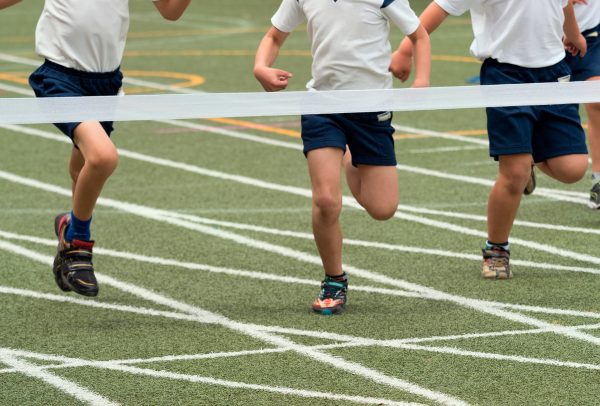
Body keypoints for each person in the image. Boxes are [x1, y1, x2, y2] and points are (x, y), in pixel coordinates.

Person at [254, 0, 431, 314]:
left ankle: (350, 157)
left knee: (383, 208)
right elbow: (273, 36)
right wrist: (261, 66)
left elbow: (419, 35)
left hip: (371, 112)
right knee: (326, 200)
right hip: (321, 107)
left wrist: (422, 82)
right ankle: (334, 279)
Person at [391, 0, 589, 279]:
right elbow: (439, 8)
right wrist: (404, 50)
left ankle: (528, 156)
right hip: (506, 76)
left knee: (573, 169)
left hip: (555, 73)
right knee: (514, 173)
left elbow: (564, 4)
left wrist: (573, 33)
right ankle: (497, 248)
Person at [11, 0, 191, 297]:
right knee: (103, 156)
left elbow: (171, 10)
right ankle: (76, 243)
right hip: (59, 77)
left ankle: (69, 223)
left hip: (105, 84)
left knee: (81, 166)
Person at [567, 0, 600, 209]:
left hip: (591, 35)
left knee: (597, 101)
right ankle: (528, 161)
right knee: (542, 108)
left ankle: (598, 179)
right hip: (543, 40)